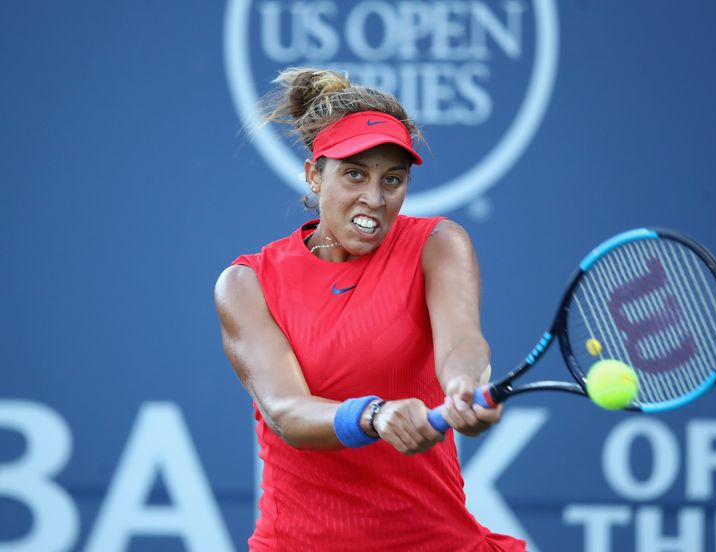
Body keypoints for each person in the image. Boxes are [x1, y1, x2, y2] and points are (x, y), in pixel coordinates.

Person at [214, 67, 526, 551]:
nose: (375, 198)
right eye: (354, 173)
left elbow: (462, 340)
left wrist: (465, 384)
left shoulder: (437, 244)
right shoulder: (247, 283)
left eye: (393, 179)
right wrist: (374, 416)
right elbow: (286, 412)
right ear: (314, 175)